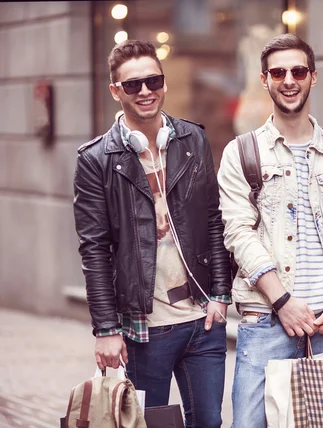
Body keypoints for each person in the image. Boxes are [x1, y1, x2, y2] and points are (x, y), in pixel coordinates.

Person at [73, 40, 231, 428]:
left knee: (209, 423)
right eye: (132, 85)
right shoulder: (96, 159)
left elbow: (213, 219)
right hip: (146, 329)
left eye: (153, 80)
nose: (145, 91)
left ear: (163, 83)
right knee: (144, 424)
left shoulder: (191, 139)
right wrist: (107, 330)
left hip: (202, 321)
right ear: (115, 91)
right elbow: (94, 250)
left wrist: (221, 296)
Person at [217, 33, 323, 427]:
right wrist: (283, 301)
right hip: (266, 319)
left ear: (313, 77)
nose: (289, 80)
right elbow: (238, 233)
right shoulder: (242, 152)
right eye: (278, 72)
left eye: (298, 71)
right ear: (264, 79)